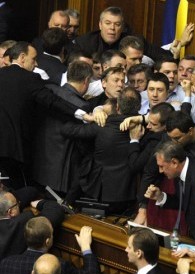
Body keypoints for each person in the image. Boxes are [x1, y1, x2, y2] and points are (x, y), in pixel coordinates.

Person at [0, 42, 91, 188]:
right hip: (12, 149)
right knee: (18, 191)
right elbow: (52, 100)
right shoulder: (30, 78)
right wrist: (82, 114)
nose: (36, 64)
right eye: (33, 59)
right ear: (22, 57)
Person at [62, 87, 141, 213]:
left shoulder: (102, 125)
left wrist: (94, 114)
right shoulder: (145, 127)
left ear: (118, 107)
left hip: (99, 193)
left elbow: (67, 129)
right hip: (129, 194)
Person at [144, 141, 195, 243]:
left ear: (174, 163)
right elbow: (183, 201)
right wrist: (160, 196)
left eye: (162, 166)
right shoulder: (179, 172)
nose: (160, 171)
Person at [0, 217, 99, 274]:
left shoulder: (5, 264)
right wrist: (86, 247)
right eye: (52, 233)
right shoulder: (58, 265)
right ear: (47, 241)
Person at [75, 7, 175, 61]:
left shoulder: (134, 41)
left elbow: (163, 56)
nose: (112, 28)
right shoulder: (85, 43)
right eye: (108, 23)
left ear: (122, 27)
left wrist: (174, 52)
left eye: (117, 24)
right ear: (100, 25)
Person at [0, 190, 65, 259]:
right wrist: (40, 203)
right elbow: (55, 210)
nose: (19, 205)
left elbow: (30, 191)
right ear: (11, 212)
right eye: (17, 204)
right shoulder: (22, 223)